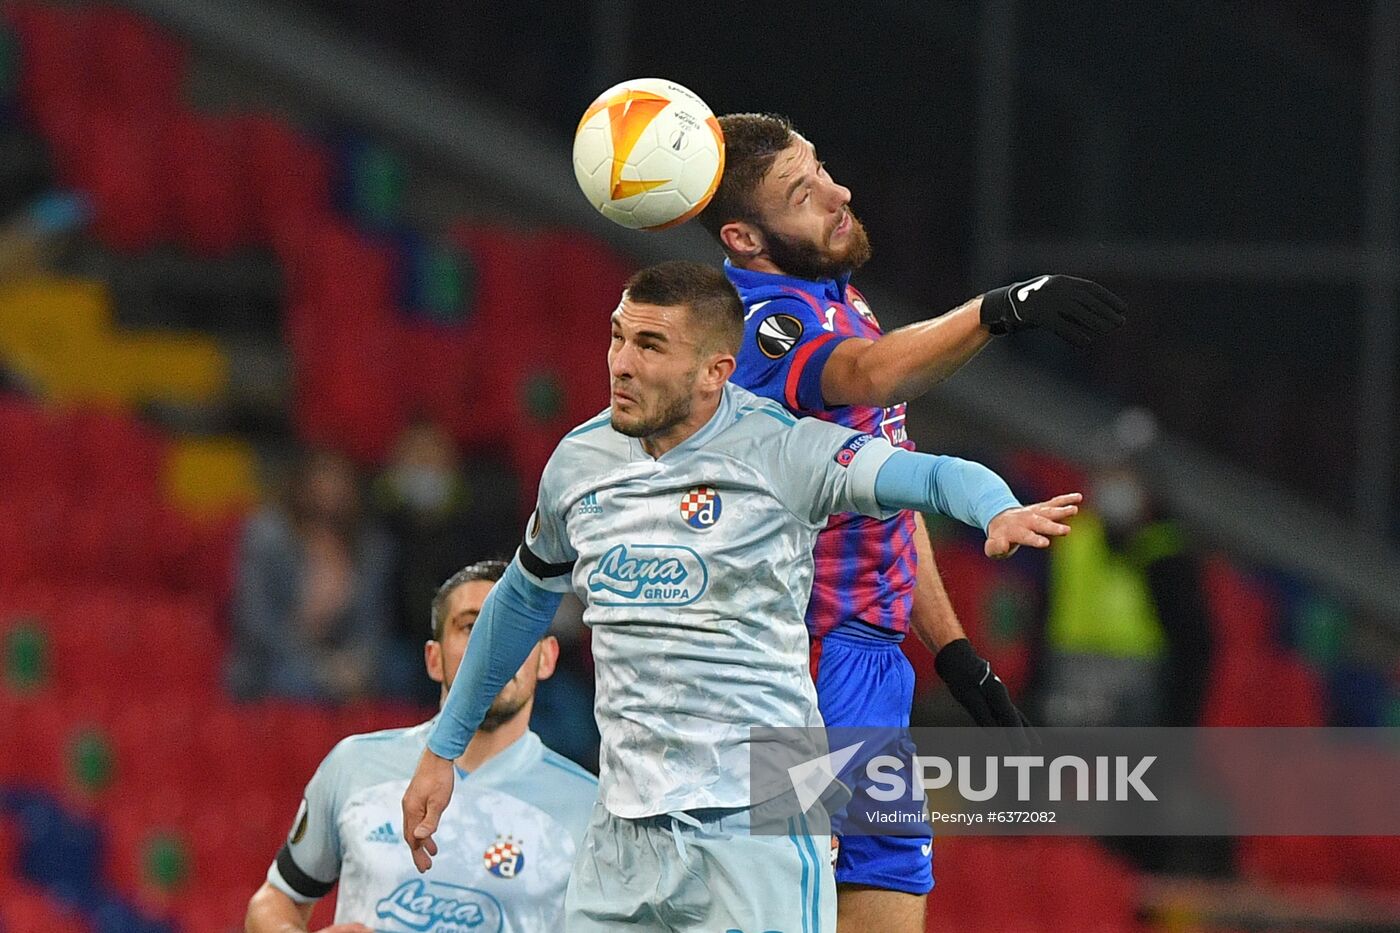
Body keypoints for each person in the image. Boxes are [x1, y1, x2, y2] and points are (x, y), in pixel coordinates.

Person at [400, 261, 1080, 933]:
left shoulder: (784, 452)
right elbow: (521, 600)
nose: (621, 365)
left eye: (650, 345)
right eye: (617, 337)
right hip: (623, 834)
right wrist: (442, 748)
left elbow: (930, 476)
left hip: (759, 831)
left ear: (715, 371)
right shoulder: (579, 463)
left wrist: (996, 509)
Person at [698, 112, 1127, 930]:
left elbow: (883, 489)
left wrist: (957, 655)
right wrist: (999, 309)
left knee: (889, 898)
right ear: (745, 238)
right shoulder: (761, 323)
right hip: (805, 667)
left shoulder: (833, 295)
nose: (838, 193)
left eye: (822, 168)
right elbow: (869, 373)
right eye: (803, 192)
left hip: (868, 665)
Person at [245, 560, 598, 933]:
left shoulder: (590, 807)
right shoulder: (354, 766)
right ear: (433, 659)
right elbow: (275, 899)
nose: (492, 647)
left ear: (547, 657)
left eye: (514, 627)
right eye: (470, 626)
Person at [227, 449, 397, 702]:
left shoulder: (371, 547)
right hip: (274, 658)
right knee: (294, 682)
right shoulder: (267, 536)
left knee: (400, 674)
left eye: (339, 479)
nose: (330, 489)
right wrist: (318, 664)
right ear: (302, 483)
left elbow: (372, 625)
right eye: (323, 477)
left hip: (344, 658)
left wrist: (356, 665)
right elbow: (256, 622)